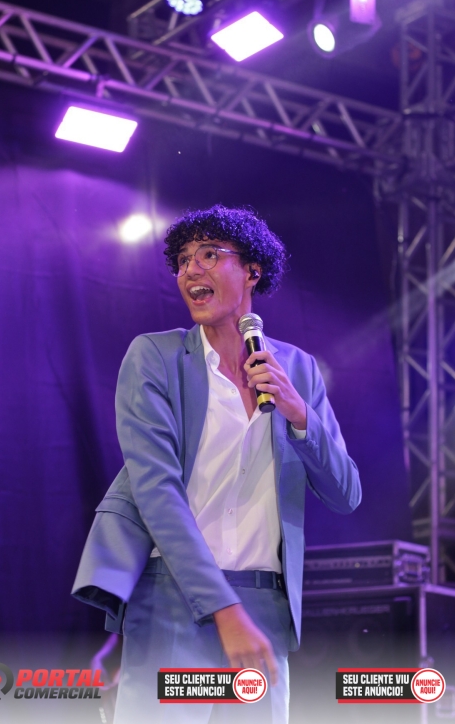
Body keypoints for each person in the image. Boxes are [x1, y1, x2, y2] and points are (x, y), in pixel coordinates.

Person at [73, 205, 361, 724]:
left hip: (266, 607)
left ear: (252, 270)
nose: (191, 270)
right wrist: (225, 612)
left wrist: (299, 414)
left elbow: (346, 494)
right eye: (183, 260)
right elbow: (156, 492)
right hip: (173, 600)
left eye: (209, 255)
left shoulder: (297, 369)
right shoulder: (155, 357)